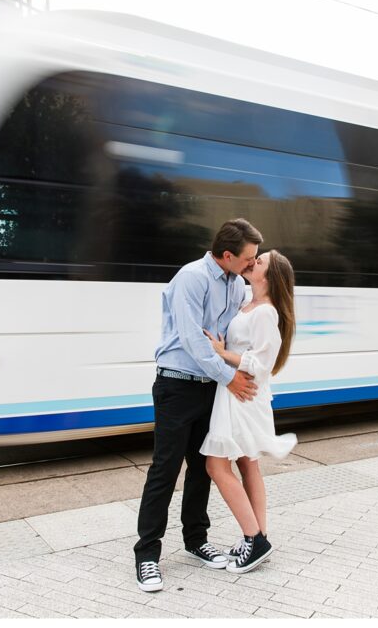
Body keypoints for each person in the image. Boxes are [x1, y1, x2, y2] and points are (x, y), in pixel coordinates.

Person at [133, 219, 263, 593]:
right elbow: (191, 339)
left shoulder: (236, 285)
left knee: (204, 467)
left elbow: (243, 325)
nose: (252, 264)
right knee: (165, 468)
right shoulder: (192, 277)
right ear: (227, 255)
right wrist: (228, 376)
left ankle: (195, 540)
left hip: (210, 387)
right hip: (177, 384)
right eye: (249, 258)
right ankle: (147, 555)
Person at [200, 249, 298, 574]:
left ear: (269, 278)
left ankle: (254, 539)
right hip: (236, 394)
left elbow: (261, 364)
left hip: (244, 395)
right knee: (247, 463)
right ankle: (258, 537)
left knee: (217, 466)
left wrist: (222, 352)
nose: (253, 262)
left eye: (260, 262)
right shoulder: (248, 303)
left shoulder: (265, 313)